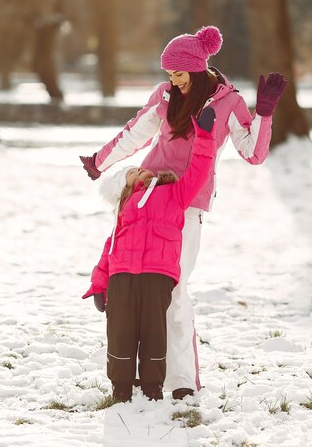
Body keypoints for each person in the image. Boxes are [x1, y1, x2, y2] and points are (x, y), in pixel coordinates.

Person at [80, 25, 286, 400]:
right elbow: (136, 132)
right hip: (144, 197)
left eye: (178, 73)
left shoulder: (228, 103)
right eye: (168, 74)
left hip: (186, 204)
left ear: (197, 68)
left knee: (173, 291)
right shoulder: (165, 95)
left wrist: (265, 114)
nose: (172, 81)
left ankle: (182, 381)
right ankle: (137, 376)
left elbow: (253, 153)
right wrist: (99, 160)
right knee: (131, 288)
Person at [81, 108, 216, 403]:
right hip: (123, 276)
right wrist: (98, 284)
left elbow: (200, 171)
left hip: (158, 275)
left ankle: (153, 386)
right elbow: (110, 247)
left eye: (136, 168)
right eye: (130, 173)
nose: (138, 170)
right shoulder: (125, 208)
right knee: (121, 333)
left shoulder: (173, 193)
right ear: (125, 187)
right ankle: (121, 387)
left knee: (155, 332)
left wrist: (204, 138)